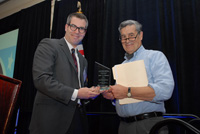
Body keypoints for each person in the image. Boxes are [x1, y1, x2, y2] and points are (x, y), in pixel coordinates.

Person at [29, 12, 100, 134]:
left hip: (78, 120)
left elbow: (79, 87)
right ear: (66, 27)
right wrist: (77, 93)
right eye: (74, 26)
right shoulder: (49, 45)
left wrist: (89, 93)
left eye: (81, 28)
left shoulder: (83, 60)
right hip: (51, 121)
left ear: (85, 32)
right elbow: (42, 80)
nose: (77, 31)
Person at [102, 20, 174, 134]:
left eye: (131, 36)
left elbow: (165, 90)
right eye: (123, 37)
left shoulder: (155, 57)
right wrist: (114, 97)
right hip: (123, 126)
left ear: (140, 35)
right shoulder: (121, 66)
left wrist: (127, 92)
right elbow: (125, 98)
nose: (127, 41)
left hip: (149, 125)